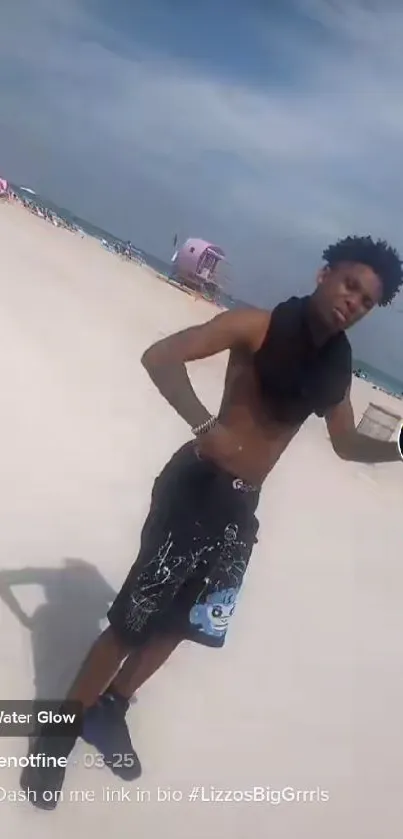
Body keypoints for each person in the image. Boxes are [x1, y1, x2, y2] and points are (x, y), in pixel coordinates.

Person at [22, 235, 403, 808]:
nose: (354, 302)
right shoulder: (255, 326)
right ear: (325, 274)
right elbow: (161, 356)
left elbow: (347, 444)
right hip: (195, 489)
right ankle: (56, 739)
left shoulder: (332, 372)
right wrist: (205, 426)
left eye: (368, 301)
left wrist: (397, 449)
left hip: (240, 508)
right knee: (130, 622)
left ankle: (111, 709)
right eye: (351, 285)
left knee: (184, 622)